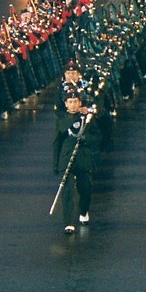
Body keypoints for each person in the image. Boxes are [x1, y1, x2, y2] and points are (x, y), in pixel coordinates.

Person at [53, 89, 100, 234]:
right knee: (67, 191)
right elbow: (56, 143)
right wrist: (56, 164)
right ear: (66, 104)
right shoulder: (62, 120)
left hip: (83, 158)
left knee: (85, 188)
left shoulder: (87, 118)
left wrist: (86, 139)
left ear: (80, 103)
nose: (73, 105)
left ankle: (84, 211)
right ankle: (68, 222)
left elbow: (97, 136)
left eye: (75, 102)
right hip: (66, 158)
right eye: (70, 102)